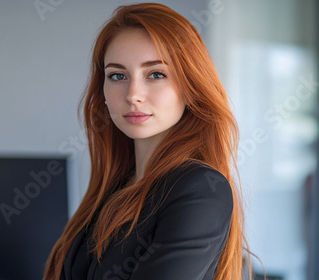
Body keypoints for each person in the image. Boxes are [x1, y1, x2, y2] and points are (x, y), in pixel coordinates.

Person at [43, 3, 248, 280]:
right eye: (118, 76)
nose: (133, 95)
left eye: (156, 74)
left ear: (190, 88)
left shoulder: (200, 188)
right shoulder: (115, 188)